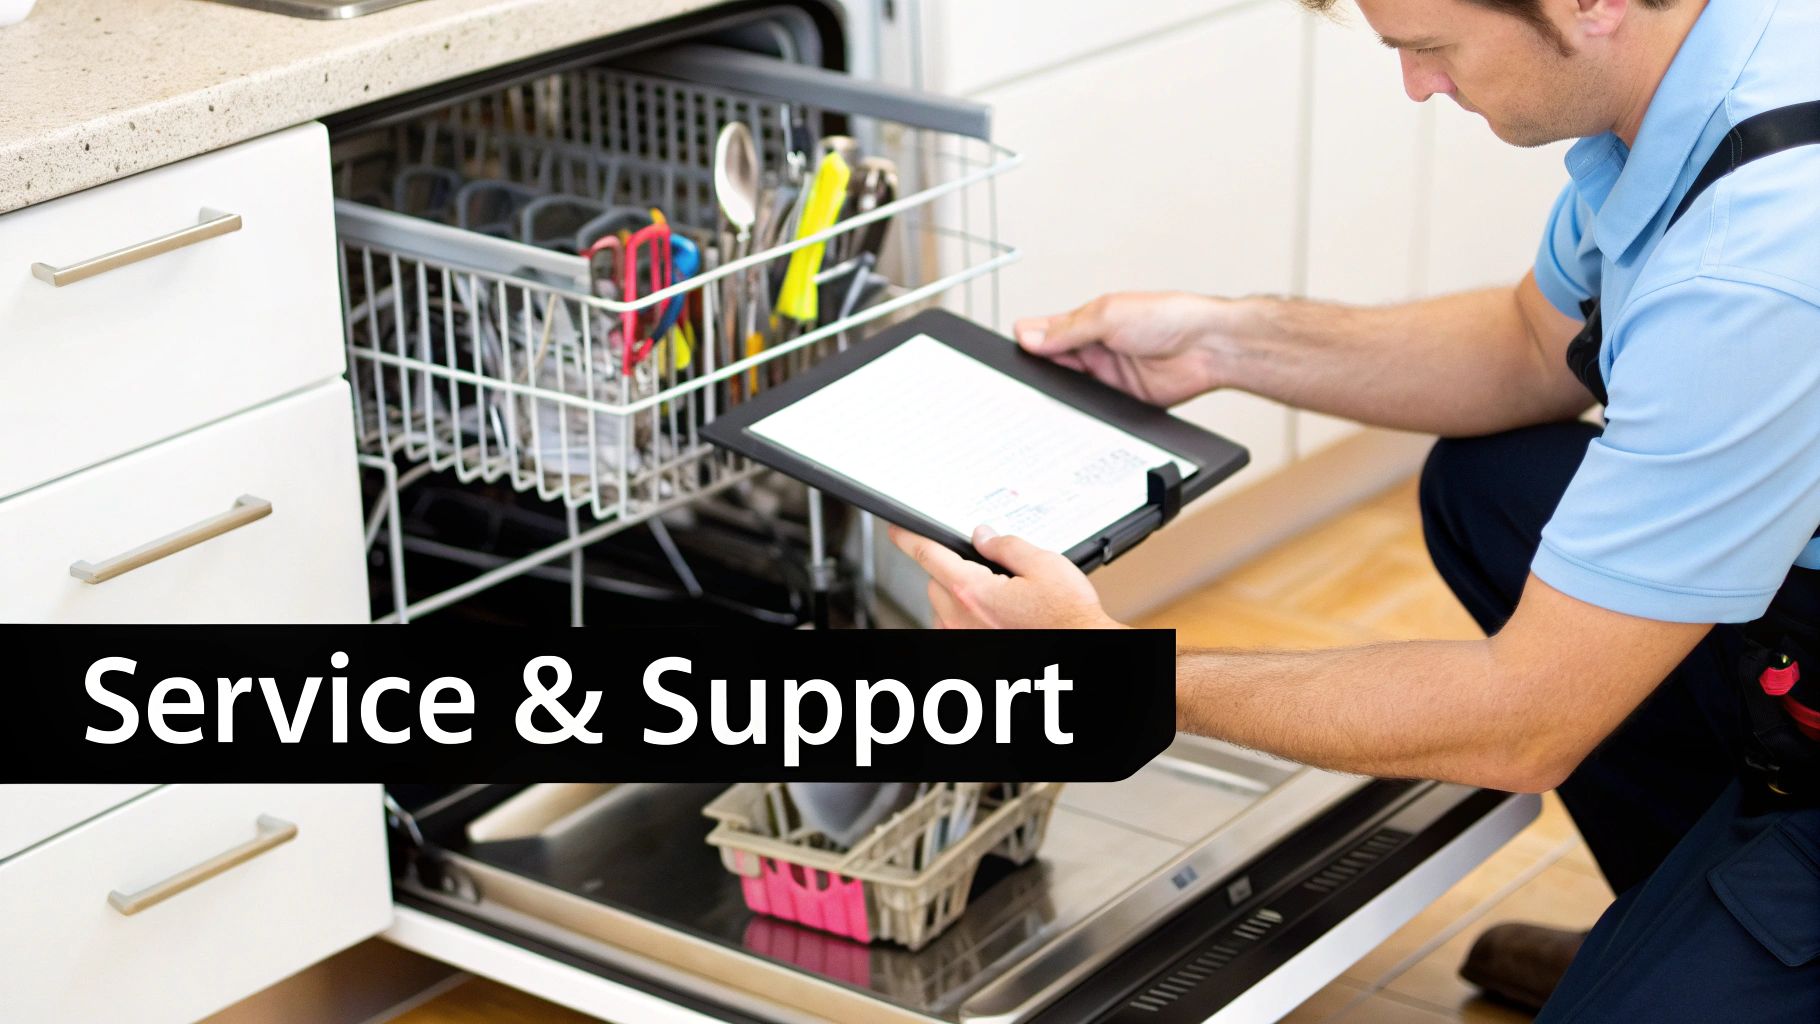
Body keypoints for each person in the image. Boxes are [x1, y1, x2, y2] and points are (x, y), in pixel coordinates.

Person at [890, 0, 1820, 1017]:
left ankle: (1737, 933)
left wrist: (1119, 679)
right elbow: (1525, 346)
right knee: (1493, 485)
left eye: (1428, 47)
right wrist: (1221, 344)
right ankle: (1681, 909)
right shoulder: (1710, 66)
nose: (1416, 86)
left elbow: (1524, 720)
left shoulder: (1754, 262)